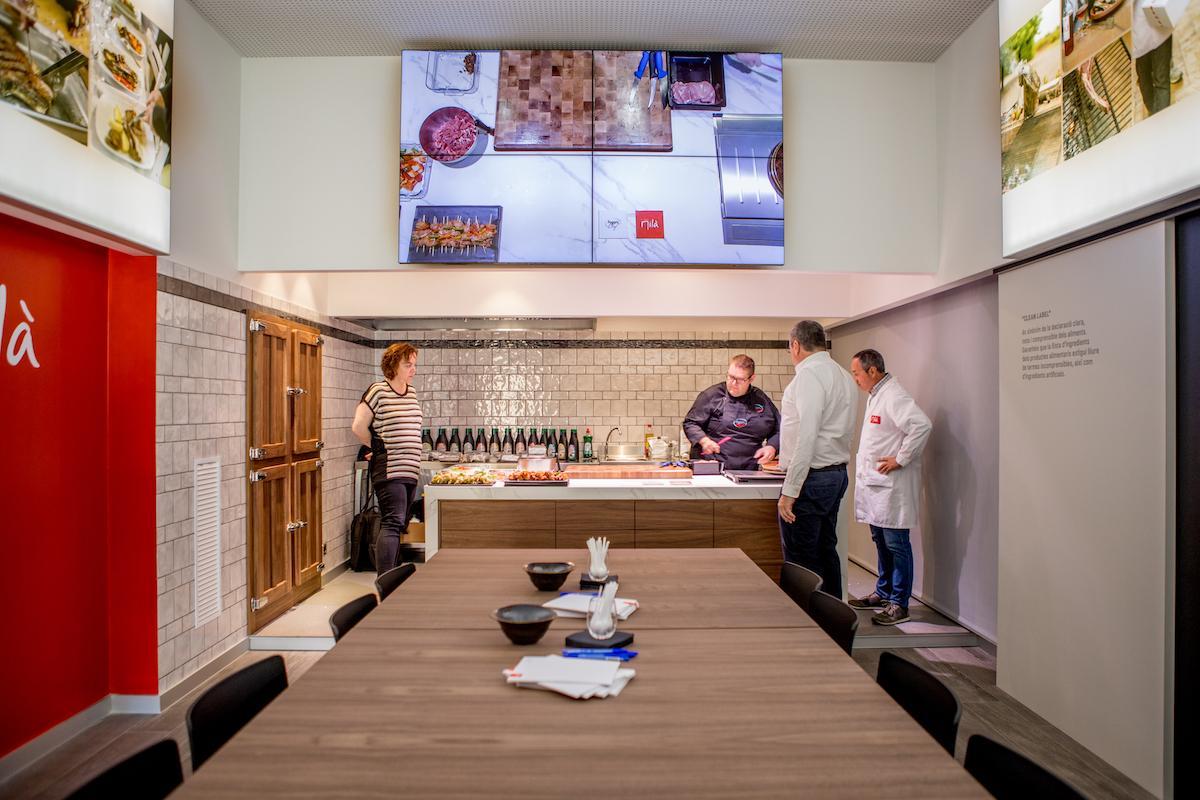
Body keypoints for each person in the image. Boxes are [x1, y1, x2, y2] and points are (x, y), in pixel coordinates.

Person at [846, 350, 932, 626]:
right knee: (881, 542)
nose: (855, 379)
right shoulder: (876, 395)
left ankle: (899, 604)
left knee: (897, 545)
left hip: (892, 488)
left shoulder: (894, 395)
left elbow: (921, 425)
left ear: (872, 371)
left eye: (857, 373)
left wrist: (901, 459)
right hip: (877, 487)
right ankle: (883, 593)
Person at [776, 321, 857, 597]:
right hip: (836, 474)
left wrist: (790, 490)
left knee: (801, 558)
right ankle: (832, 614)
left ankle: (803, 618)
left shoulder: (809, 376)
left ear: (795, 345)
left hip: (812, 479)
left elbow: (806, 436)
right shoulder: (843, 375)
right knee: (825, 549)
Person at [352, 342, 422, 575]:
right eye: (408, 365)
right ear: (393, 366)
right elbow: (358, 426)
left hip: (409, 469)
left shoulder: (411, 392)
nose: (413, 369)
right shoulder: (378, 391)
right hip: (390, 468)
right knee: (392, 521)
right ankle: (385, 581)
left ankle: (393, 577)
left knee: (401, 522)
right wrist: (375, 446)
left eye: (414, 364)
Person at [682, 354, 781, 470]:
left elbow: (780, 429)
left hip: (750, 470)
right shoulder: (712, 395)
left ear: (751, 379)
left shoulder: (761, 400)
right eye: (731, 377)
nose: (733, 383)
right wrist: (704, 441)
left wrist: (772, 447)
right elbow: (690, 423)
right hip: (713, 468)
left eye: (740, 379)